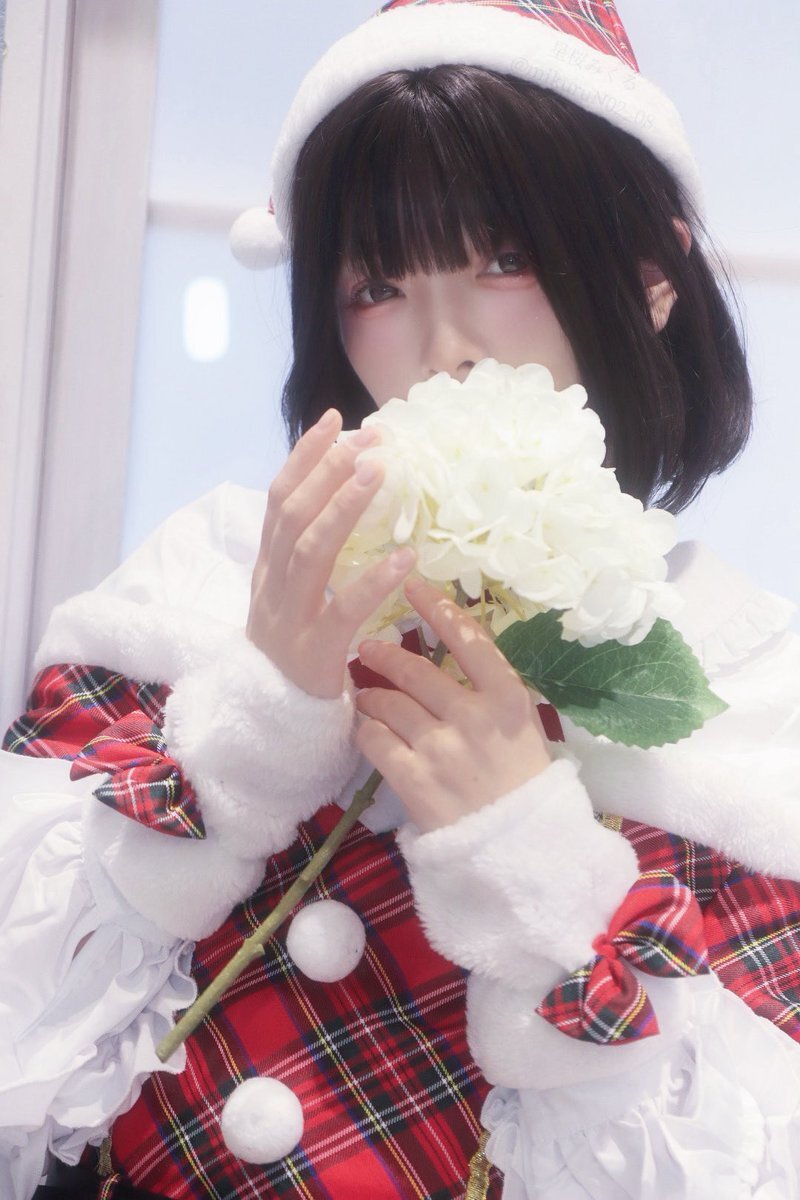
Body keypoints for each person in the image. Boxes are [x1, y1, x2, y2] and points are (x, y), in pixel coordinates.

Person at [2, 1, 800, 1197]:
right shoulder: (215, 570)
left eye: (505, 261)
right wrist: (246, 728)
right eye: (375, 284)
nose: (442, 347)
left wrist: (533, 870)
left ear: (650, 276)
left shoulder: (743, 687)